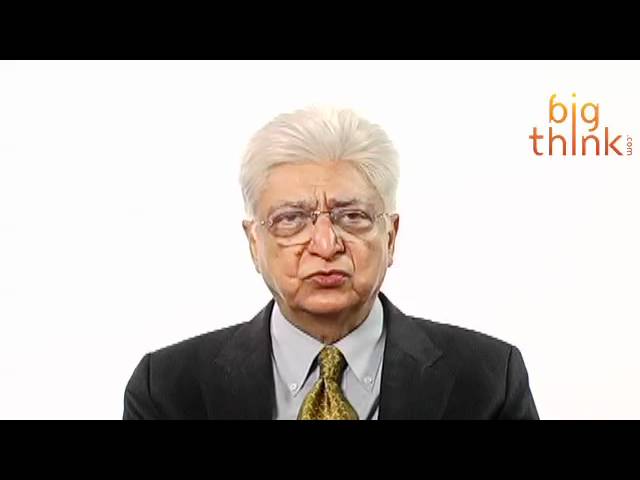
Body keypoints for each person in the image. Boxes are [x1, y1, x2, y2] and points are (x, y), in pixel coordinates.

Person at [123, 106, 539, 420]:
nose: (325, 245)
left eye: (352, 216)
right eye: (291, 219)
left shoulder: (488, 381)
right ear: (254, 242)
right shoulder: (167, 389)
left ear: (391, 236)